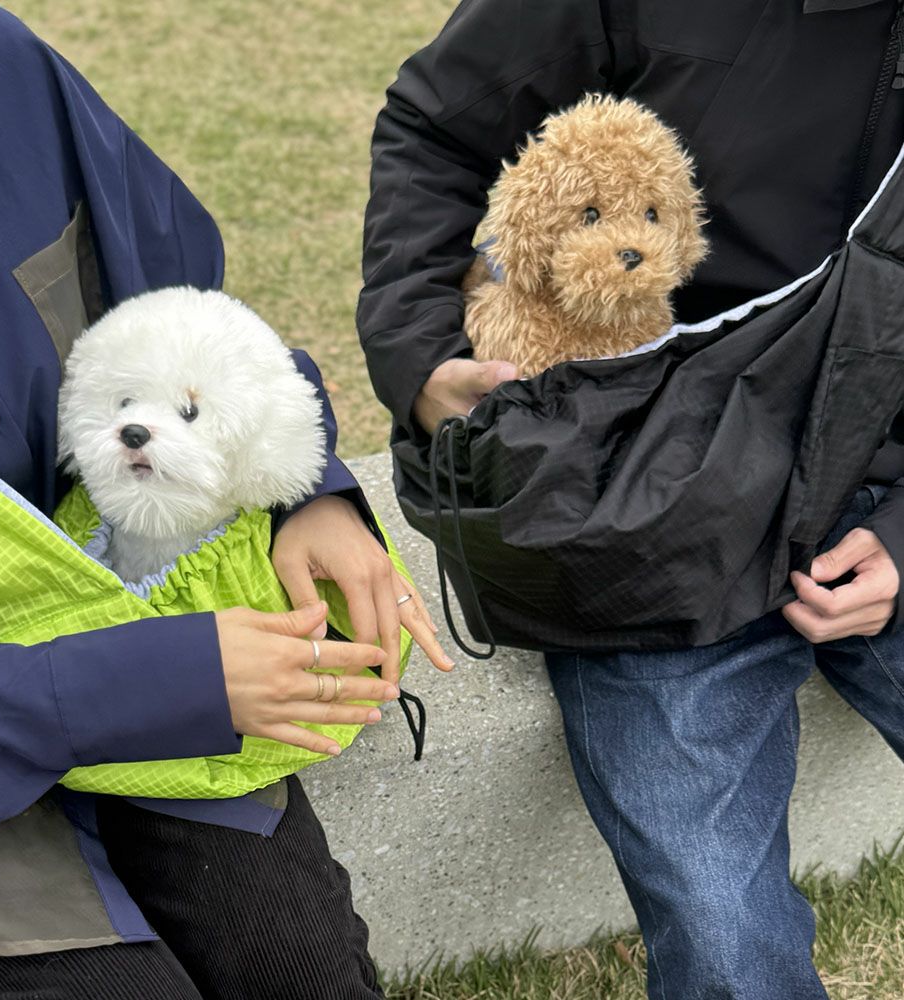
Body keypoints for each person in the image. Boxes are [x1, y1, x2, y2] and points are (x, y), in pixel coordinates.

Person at [0, 2, 452, 999]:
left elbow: (185, 315)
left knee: (305, 977)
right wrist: (152, 682)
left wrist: (302, 492)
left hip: (138, 642)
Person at [358, 1, 904, 997]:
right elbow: (436, 126)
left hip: (886, 472)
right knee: (720, 932)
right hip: (638, 500)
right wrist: (419, 356)